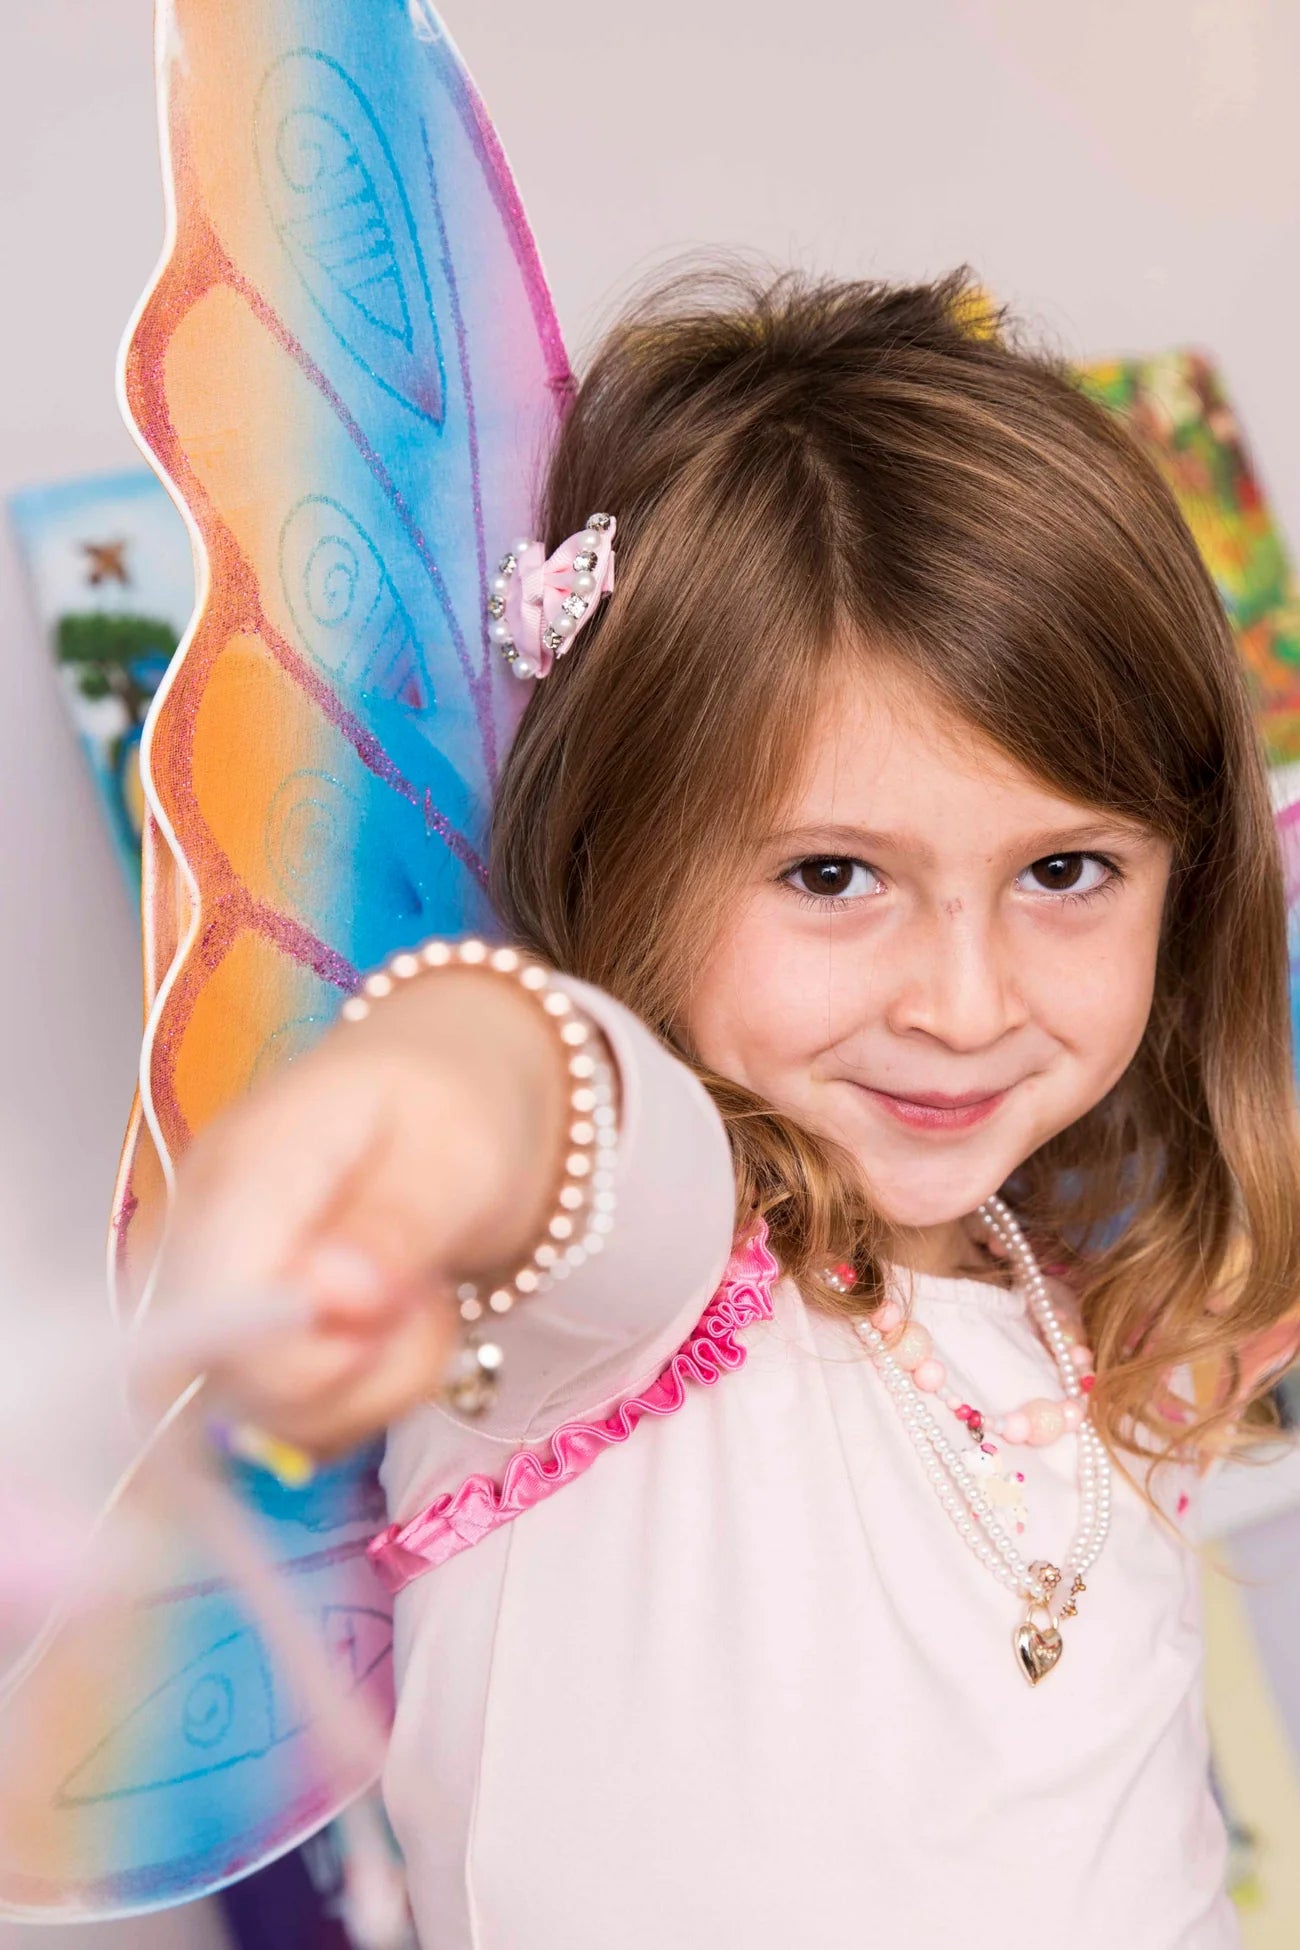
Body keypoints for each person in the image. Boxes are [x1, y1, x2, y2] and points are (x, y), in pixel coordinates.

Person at [156, 266, 1300, 1948]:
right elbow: (547, 1097)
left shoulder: (1049, 1303)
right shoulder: (639, 1284)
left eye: (1066, 870)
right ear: (620, 858)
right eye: (835, 875)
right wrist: (425, 1112)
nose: (965, 1000)